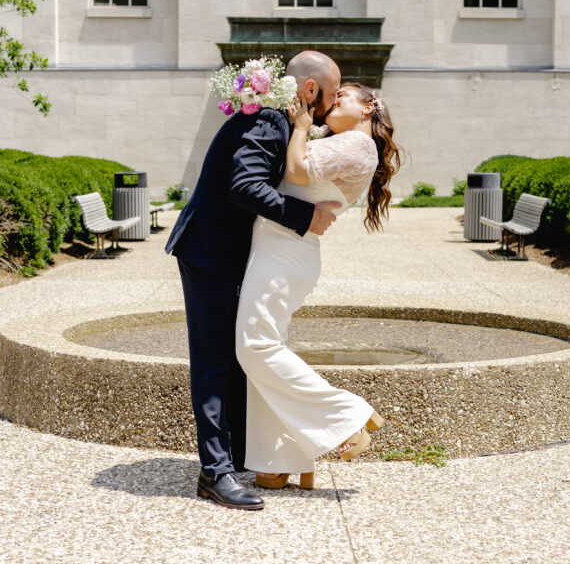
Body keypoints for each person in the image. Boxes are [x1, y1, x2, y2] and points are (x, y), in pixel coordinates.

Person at [165, 51, 344, 511]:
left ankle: (238, 457)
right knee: (214, 361)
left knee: (237, 356)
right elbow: (244, 186)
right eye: (327, 98)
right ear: (308, 91)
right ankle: (215, 473)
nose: (327, 110)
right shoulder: (268, 121)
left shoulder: (279, 122)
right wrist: (307, 216)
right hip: (209, 255)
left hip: (228, 256)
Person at [235, 81, 402, 491]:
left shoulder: (359, 146)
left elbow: (297, 171)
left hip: (285, 251)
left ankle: (346, 416)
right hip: (280, 247)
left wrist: (301, 126)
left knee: (254, 346)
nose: (335, 100)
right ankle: (278, 461)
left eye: (344, 95)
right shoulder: (346, 143)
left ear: (369, 107)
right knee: (266, 347)